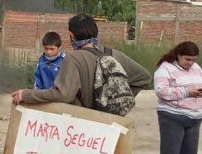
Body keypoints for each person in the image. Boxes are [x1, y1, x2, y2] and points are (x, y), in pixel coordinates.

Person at [12, 13, 151, 110]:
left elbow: (63, 94)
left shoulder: (73, 58)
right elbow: (144, 78)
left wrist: (26, 94)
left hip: (83, 131)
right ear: (95, 32)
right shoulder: (115, 55)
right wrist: (113, 102)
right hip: (108, 131)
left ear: (71, 35)